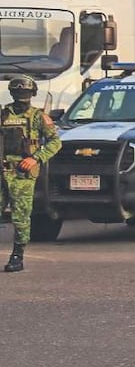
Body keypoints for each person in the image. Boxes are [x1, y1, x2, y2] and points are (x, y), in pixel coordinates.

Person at [0, 77, 61, 272]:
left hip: (22, 173)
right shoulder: (3, 114)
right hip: (2, 170)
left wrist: (35, 158)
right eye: (18, 92)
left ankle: (17, 255)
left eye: (25, 93)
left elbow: (55, 142)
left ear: (32, 94)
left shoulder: (38, 117)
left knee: (21, 216)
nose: (21, 96)